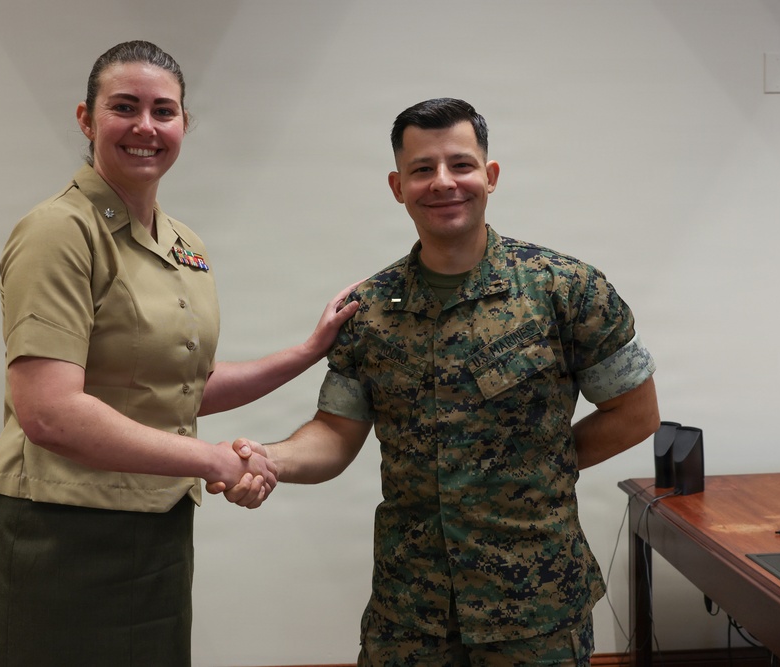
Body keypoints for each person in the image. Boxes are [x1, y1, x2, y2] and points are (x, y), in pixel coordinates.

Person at [216, 98, 660, 665]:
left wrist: (538, 463)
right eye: (423, 169)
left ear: (490, 176)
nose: (443, 183)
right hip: (411, 611)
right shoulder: (369, 310)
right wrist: (271, 460)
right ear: (398, 185)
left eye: (461, 165)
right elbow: (334, 433)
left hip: (535, 606)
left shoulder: (564, 289)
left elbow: (637, 413)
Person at [0, 40, 358, 666]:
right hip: (63, 529)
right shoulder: (59, 231)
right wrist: (213, 460)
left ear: (183, 124)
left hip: (157, 521)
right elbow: (49, 413)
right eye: (124, 107)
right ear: (86, 119)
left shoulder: (182, 244)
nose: (145, 127)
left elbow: (174, 387)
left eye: (164, 111)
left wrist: (307, 352)